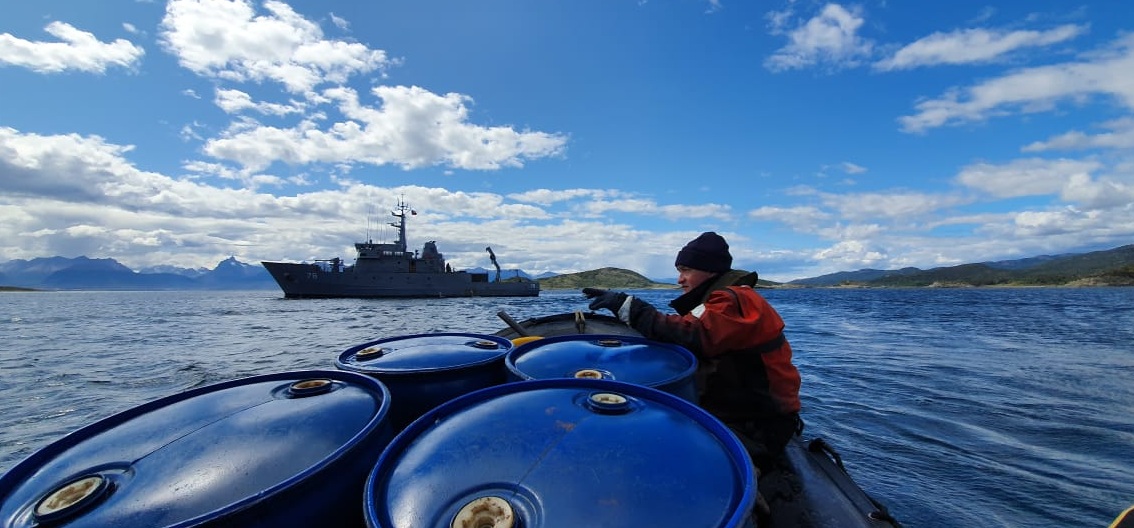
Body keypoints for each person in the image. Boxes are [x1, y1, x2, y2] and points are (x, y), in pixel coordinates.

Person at [582, 231, 802, 468]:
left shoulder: (736, 300)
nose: (680, 279)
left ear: (710, 270)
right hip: (740, 414)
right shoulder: (718, 301)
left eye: (686, 270)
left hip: (758, 426)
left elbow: (693, 334)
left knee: (654, 455)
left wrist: (628, 306)